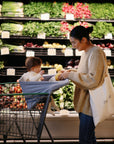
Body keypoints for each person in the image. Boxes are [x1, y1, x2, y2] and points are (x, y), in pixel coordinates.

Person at [58, 26, 107, 144]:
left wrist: (70, 76)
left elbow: (93, 80)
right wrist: (70, 72)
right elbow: (83, 73)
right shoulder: (86, 52)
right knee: (88, 138)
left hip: (91, 103)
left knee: (86, 139)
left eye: (74, 42)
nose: (73, 45)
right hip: (85, 102)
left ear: (84, 40)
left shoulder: (96, 52)